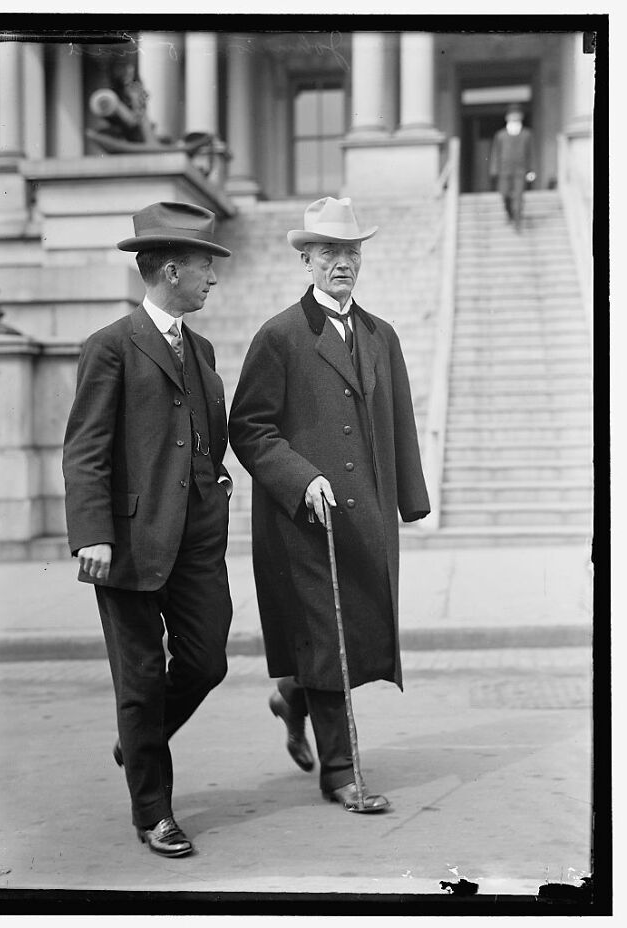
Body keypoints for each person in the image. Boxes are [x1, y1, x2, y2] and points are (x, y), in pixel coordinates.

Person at [228, 196, 430, 813]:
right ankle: (341, 774)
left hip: (366, 515)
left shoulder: (381, 334)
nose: (342, 263)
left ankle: (292, 698)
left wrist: (410, 500)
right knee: (326, 636)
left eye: (351, 251)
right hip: (304, 519)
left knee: (351, 636)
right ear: (306, 261)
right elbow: (249, 428)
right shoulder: (280, 335)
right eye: (329, 253)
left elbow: (400, 420)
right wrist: (300, 477)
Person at [62, 201, 233, 857]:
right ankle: (153, 811)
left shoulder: (203, 349)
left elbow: (207, 437)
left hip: (196, 542)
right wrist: (92, 533)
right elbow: (85, 450)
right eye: (203, 266)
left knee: (207, 660)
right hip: (128, 545)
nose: (212, 277)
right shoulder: (110, 346)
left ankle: (139, 739)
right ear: (169, 271)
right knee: (138, 681)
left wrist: (215, 485)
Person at [489, 104, 536, 231]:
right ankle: (510, 214)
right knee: (504, 194)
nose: (514, 117)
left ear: (521, 117)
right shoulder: (500, 135)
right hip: (504, 170)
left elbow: (531, 153)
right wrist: (494, 169)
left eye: (517, 115)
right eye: (512, 115)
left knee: (519, 195)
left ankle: (517, 221)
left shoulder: (527, 134)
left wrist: (531, 170)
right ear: (507, 118)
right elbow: (495, 153)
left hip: (521, 170)